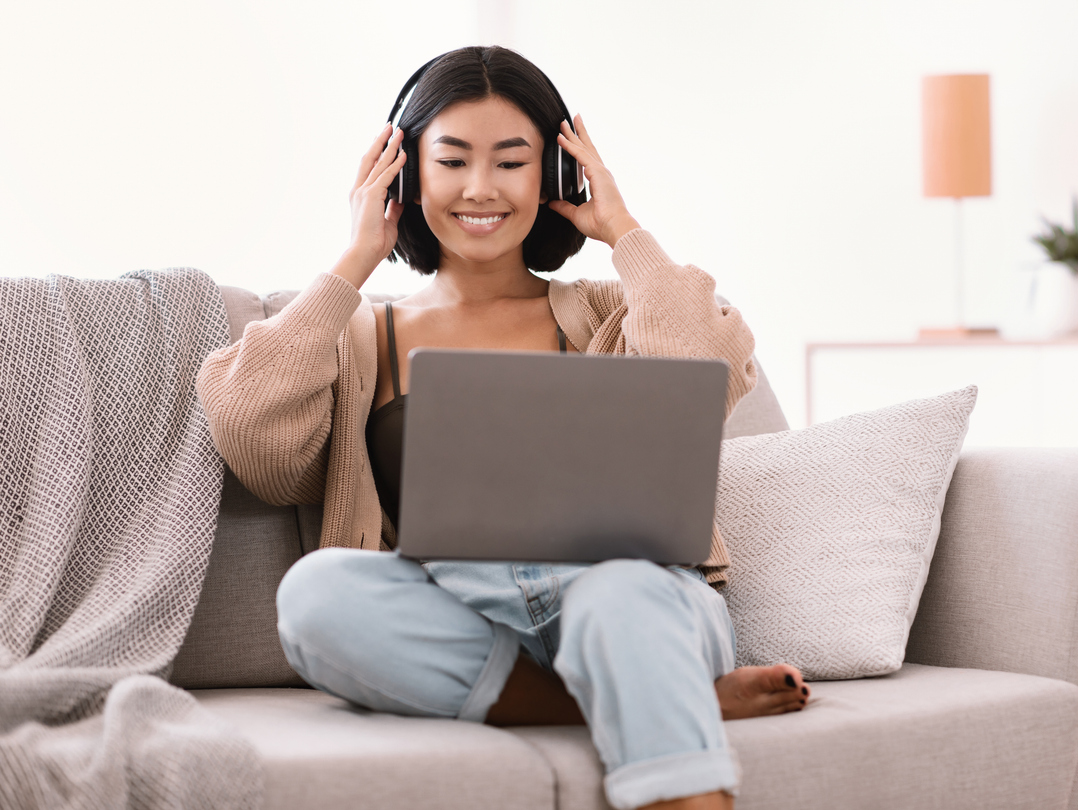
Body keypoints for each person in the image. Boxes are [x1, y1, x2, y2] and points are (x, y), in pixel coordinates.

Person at [196, 46, 809, 810]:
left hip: (635, 599)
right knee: (316, 595)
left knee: (618, 597)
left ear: (553, 173)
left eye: (511, 161)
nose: (480, 188)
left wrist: (622, 229)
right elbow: (255, 439)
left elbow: (708, 368)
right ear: (405, 173)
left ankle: (652, 686)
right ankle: (664, 697)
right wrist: (354, 259)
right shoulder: (359, 336)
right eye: (451, 160)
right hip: (461, 614)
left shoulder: (610, 311)